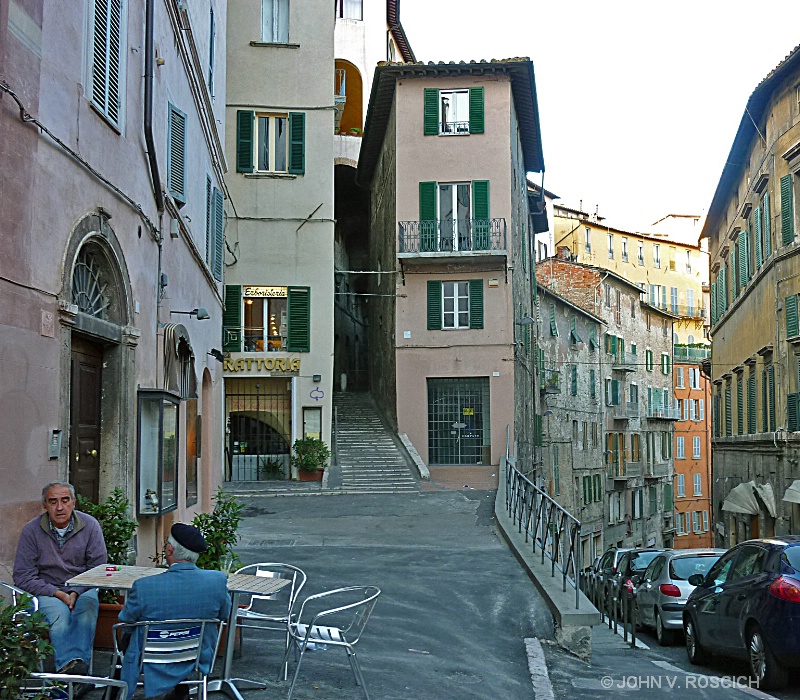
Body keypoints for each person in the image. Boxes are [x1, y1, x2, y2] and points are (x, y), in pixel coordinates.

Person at [118, 523, 231, 700]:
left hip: (150, 659)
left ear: (170, 550)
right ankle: (180, 691)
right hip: (195, 655)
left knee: (129, 637)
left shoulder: (144, 587)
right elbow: (224, 615)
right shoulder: (217, 581)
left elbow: (126, 621)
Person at [13, 481, 108, 675]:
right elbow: (23, 575)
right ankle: (67, 673)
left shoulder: (90, 526)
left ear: (73, 502)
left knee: (86, 614)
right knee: (60, 618)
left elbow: (98, 568)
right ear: (44, 505)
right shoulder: (31, 531)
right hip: (47, 589)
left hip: (83, 587)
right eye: (53, 501)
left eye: (65, 500)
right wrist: (57, 593)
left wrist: (75, 591)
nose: (59, 507)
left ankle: (78, 668)